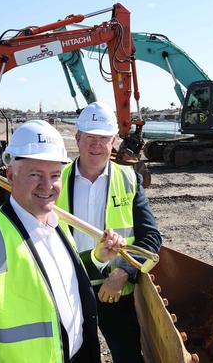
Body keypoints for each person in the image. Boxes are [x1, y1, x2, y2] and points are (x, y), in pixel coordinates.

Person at [0, 120, 126, 363]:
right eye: (35, 174)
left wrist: (97, 258)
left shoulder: (56, 222)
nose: (47, 186)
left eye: (55, 175)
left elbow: (57, 281)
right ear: (10, 174)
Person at [56, 102, 162, 363]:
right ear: (77, 138)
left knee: (127, 356)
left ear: (113, 141)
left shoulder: (129, 179)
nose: (96, 145)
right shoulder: (55, 181)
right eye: (89, 137)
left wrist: (125, 272)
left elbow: (151, 238)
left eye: (103, 138)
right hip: (70, 290)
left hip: (115, 290)